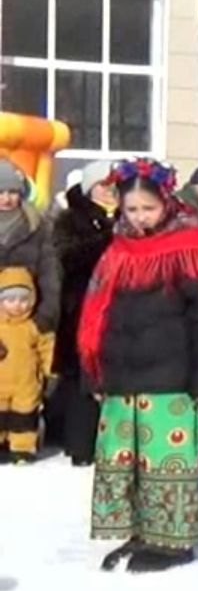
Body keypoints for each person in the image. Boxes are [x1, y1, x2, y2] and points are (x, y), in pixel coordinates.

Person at [79, 159, 198, 573]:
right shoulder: (118, 250)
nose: (140, 217)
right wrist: (94, 367)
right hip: (123, 375)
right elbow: (98, 311)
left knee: (166, 459)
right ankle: (143, 528)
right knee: (130, 458)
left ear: (164, 202)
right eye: (131, 210)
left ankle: (174, 540)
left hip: (172, 379)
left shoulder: (188, 247)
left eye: (148, 208)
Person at [48, 162, 115, 465]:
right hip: (81, 306)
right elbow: (68, 256)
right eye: (103, 185)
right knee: (81, 380)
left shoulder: (130, 213)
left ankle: (112, 442)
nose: (109, 191)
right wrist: (107, 239)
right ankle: (80, 446)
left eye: (113, 185)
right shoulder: (73, 218)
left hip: (116, 308)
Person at [0, 160, 61, 334]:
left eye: (12, 192)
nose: (6, 199)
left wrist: (44, 318)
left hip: (26, 321)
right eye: (0, 192)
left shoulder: (36, 226)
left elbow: (50, 274)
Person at [0, 267, 53, 463]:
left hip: (26, 383)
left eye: (23, 300)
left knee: (24, 416)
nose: (18, 306)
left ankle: (22, 449)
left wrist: (50, 371)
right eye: (11, 300)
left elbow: (47, 348)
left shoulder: (33, 327)